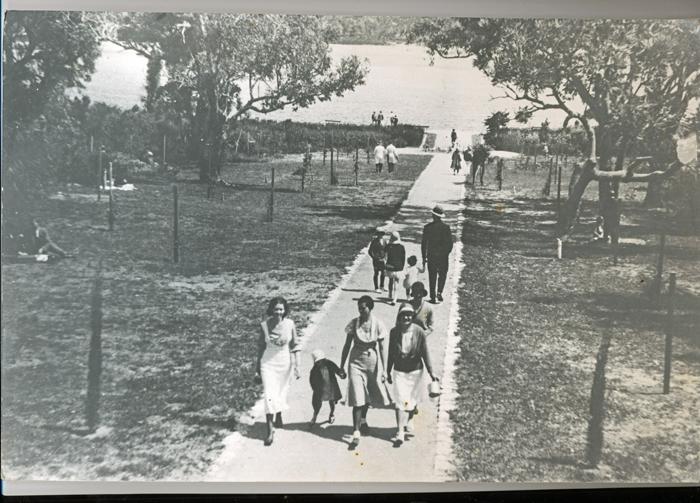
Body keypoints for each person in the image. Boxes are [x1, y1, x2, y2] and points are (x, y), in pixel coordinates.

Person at [339, 296, 391, 450]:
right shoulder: (354, 323)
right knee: (357, 396)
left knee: (367, 393)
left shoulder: (378, 324)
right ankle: (356, 432)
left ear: (370, 307)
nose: (361, 310)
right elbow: (347, 345)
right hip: (355, 361)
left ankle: (363, 420)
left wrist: (385, 370)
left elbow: (382, 348)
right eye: (359, 308)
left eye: (364, 307)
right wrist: (341, 366)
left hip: (372, 362)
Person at [386, 303, 438, 446]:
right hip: (399, 371)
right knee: (399, 401)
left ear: (412, 317)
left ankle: (409, 419)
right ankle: (400, 432)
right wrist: (388, 371)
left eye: (409, 315)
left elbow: (425, 352)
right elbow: (390, 353)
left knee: (411, 401)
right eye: (403, 315)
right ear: (399, 317)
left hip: (415, 371)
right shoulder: (394, 332)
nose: (406, 317)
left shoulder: (419, 331)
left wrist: (431, 372)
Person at [256, 297, 302, 446]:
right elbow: (261, 348)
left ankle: (279, 414)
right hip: (268, 363)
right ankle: (270, 430)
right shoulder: (264, 326)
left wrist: (297, 366)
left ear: (285, 310)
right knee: (269, 393)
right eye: (276, 309)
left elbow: (295, 345)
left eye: (281, 309)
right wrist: (257, 368)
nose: (278, 312)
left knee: (282, 391)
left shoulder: (290, 324)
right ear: (271, 310)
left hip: (284, 362)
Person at [421, 205, 453, 303]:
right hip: (443, 257)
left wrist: (424, 257)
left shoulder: (427, 228)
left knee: (432, 276)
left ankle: (433, 296)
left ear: (433, 216)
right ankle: (439, 292)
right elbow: (450, 244)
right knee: (442, 275)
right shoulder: (446, 228)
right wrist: (445, 253)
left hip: (431, 256)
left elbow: (424, 244)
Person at [309, 349, 346, 429]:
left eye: (321, 360)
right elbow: (312, 380)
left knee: (332, 402)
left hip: (331, 387)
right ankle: (315, 415)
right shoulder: (314, 369)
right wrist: (315, 389)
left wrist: (342, 374)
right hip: (320, 390)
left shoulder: (329, 364)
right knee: (317, 404)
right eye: (317, 362)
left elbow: (337, 370)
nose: (319, 363)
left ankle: (331, 414)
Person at [385, 231, 406, 305]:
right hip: (398, 267)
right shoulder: (401, 247)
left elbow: (385, 255)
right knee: (396, 282)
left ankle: (389, 295)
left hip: (390, 266)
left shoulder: (388, 246)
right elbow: (403, 258)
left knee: (390, 281)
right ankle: (395, 298)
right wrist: (402, 266)